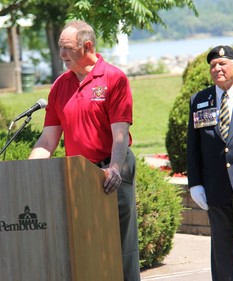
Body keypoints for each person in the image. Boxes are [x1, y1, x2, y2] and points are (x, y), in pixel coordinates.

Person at [28, 20, 140, 281]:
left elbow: (120, 134)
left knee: (120, 247)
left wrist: (113, 168)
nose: (61, 54)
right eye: (60, 48)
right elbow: (47, 140)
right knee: (84, 247)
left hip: (113, 169)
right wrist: (29, 170)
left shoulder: (114, 78)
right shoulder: (59, 86)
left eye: (66, 48)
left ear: (87, 46)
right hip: (78, 175)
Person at [187, 45, 233, 280]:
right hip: (215, 187)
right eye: (213, 65)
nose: (217, 69)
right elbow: (194, 146)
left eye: (222, 64)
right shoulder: (199, 100)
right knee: (221, 251)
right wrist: (195, 184)